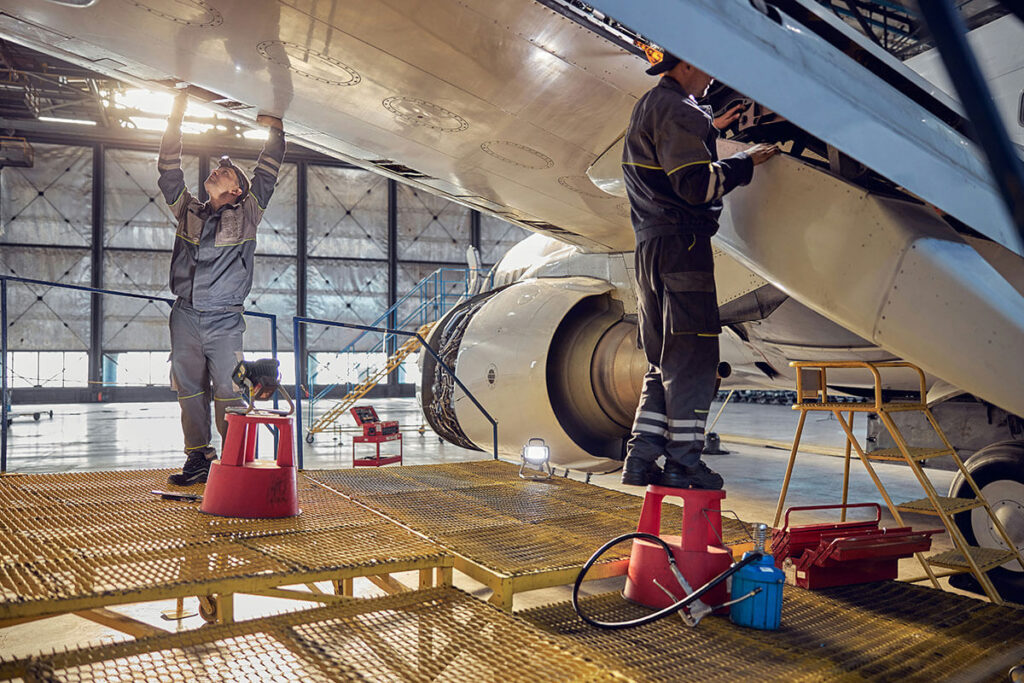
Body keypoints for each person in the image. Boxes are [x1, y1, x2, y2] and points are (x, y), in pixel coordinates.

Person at [620, 51, 777, 489]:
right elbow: (695, 185)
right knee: (693, 361)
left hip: (650, 248)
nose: (712, 77)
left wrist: (711, 127)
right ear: (686, 63)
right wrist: (746, 161)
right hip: (683, 247)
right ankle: (686, 464)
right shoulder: (678, 110)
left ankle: (641, 458)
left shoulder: (650, 105)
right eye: (707, 67)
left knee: (662, 361)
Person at [157, 90, 286, 485]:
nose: (215, 171)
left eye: (225, 173)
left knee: (229, 392)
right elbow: (168, 171)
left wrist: (274, 131)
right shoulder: (188, 211)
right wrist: (175, 120)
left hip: (225, 320)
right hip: (185, 316)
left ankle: (234, 464)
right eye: (217, 169)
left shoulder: (248, 213)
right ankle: (199, 458)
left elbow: (267, 174)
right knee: (189, 391)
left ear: (237, 191)